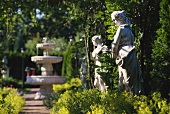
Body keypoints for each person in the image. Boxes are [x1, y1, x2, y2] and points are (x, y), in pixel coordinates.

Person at [111, 10, 144, 95]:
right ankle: (135, 96)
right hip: (131, 54)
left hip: (124, 56)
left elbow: (115, 45)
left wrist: (114, 56)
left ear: (119, 19)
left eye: (114, 20)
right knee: (131, 78)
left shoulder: (121, 29)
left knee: (126, 79)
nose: (114, 23)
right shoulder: (129, 29)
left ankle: (130, 97)